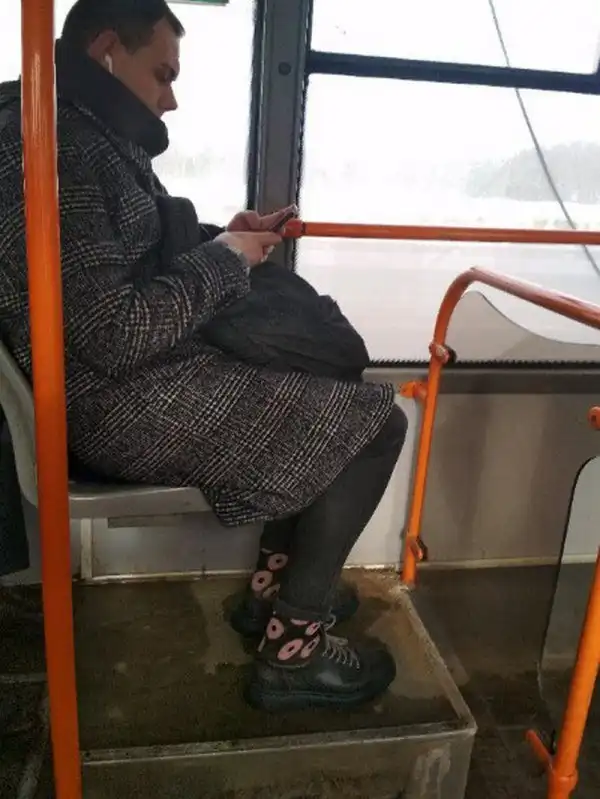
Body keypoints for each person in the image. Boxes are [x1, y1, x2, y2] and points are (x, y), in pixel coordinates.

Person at [0, 0, 407, 712]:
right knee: (377, 427)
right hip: (114, 400)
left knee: (321, 384)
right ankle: (294, 650)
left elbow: (135, 247)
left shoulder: (80, 129)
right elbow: (111, 329)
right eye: (162, 75)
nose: (171, 100)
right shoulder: (47, 144)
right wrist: (227, 260)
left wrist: (225, 236)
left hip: (124, 378)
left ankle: (272, 595)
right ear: (105, 51)